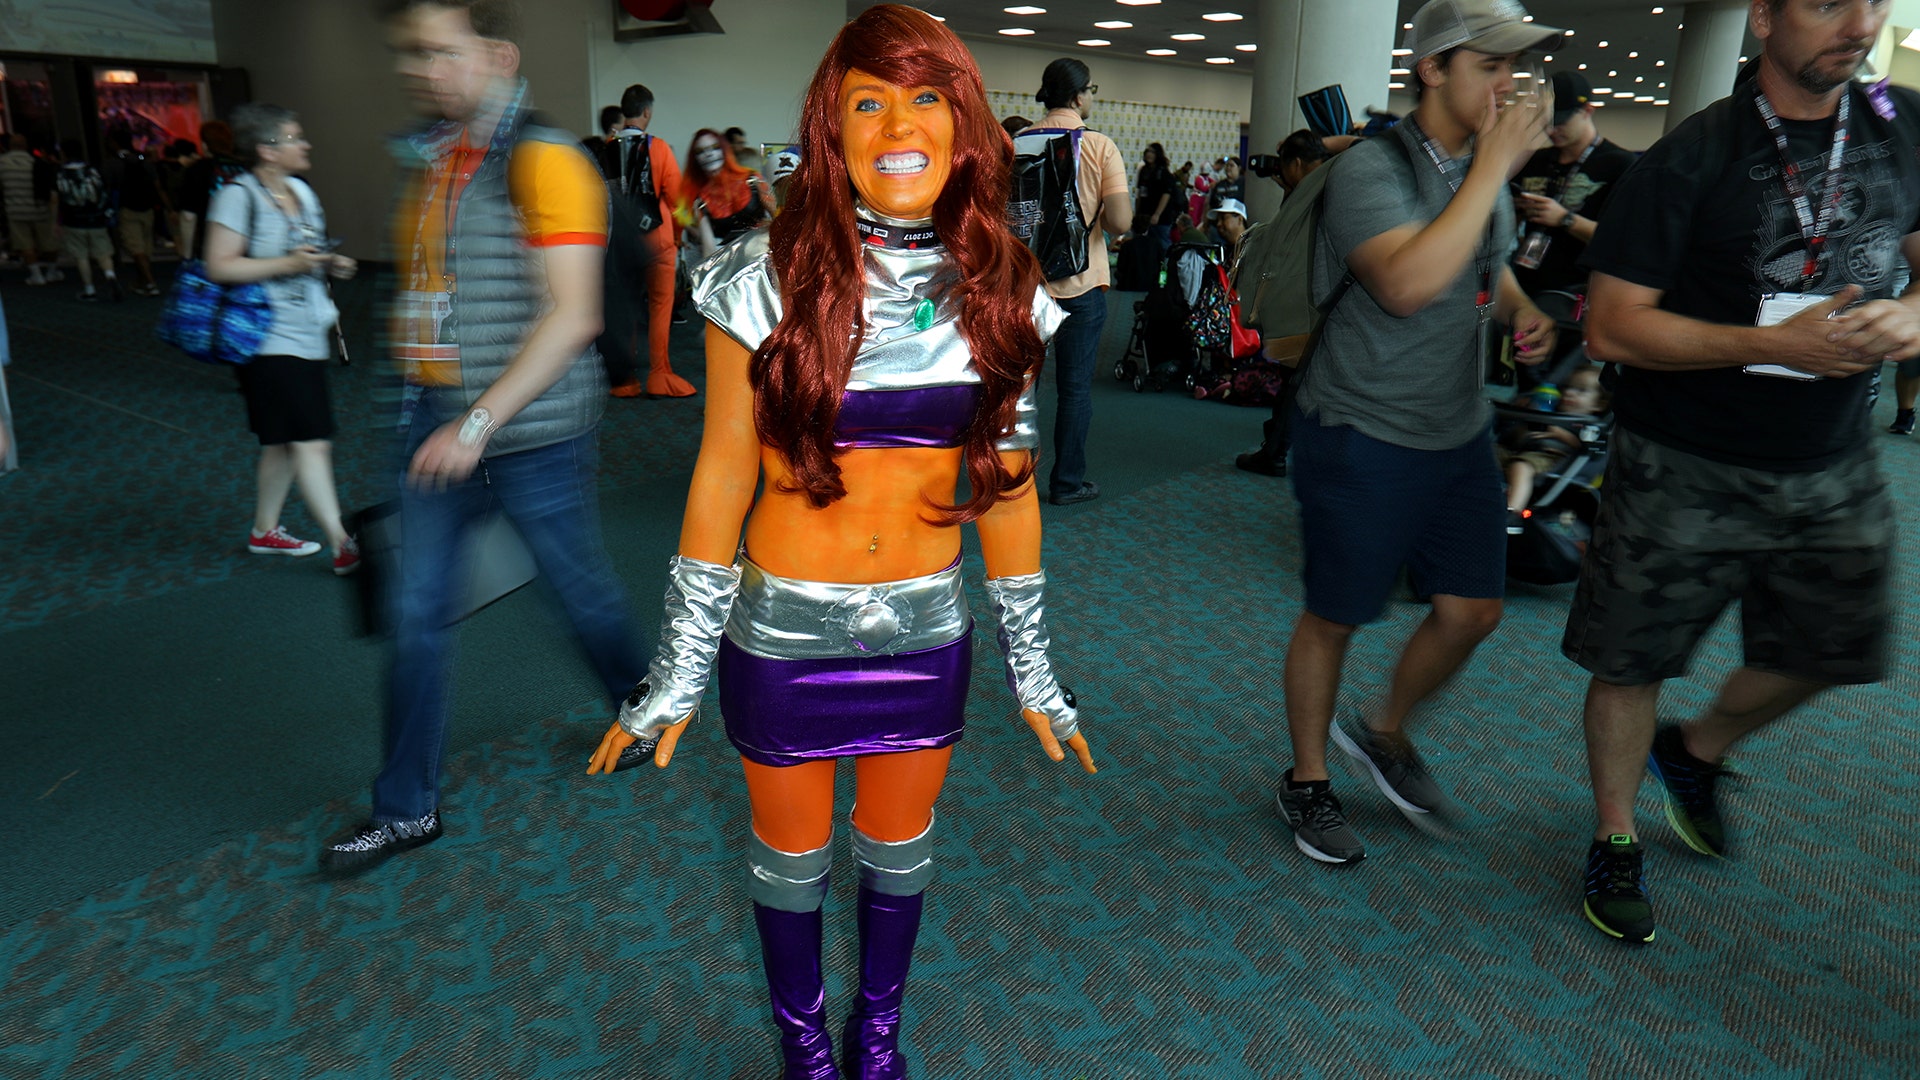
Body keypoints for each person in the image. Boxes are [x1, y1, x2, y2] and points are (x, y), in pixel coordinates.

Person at [586, 7, 1096, 1076]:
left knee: (899, 855)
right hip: (783, 634)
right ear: (833, 128)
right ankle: (804, 1042)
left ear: (963, 126)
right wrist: (675, 677)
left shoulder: (1002, 285)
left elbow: (1006, 488)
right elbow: (723, 473)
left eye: (924, 98)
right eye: (868, 100)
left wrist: (1037, 675)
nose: (897, 124)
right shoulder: (760, 277)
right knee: (790, 860)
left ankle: (878, 1031)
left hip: (925, 630)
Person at [1567, 0, 1920, 945]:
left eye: (1872, 1)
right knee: (1631, 657)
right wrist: (1769, 344)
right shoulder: (1691, 154)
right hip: (1684, 458)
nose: (1858, 22)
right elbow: (1611, 326)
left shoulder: (1902, 126)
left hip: (1833, 456)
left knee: (1834, 648)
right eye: (1824, 2)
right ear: (1762, 18)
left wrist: (1917, 310)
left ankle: (1697, 751)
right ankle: (1616, 834)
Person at [321, 0, 646, 872]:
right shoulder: (435, 165)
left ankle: (642, 704)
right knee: (417, 614)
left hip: (531, 435)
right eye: (410, 55)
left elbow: (572, 316)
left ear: (497, 54)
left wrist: (475, 423)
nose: (421, 70)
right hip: (438, 430)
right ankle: (406, 807)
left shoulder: (545, 161)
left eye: (439, 51)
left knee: (580, 592)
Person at [1274, 0, 1560, 866]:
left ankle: (1385, 728)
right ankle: (1309, 779)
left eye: (1515, 70)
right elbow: (1403, 282)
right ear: (1432, 69)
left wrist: (1520, 310)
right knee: (1338, 613)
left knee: (1473, 609)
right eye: (1489, 66)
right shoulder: (1372, 168)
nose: (1507, 86)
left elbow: (1484, 259)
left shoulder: (1482, 166)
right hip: (1362, 426)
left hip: (1456, 429)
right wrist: (1494, 168)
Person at [203, 103, 360, 571]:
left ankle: (264, 531)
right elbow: (219, 264)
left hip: (307, 330)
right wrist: (288, 265)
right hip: (265, 337)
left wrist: (332, 263)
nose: (305, 144)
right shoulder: (237, 195)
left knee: (281, 442)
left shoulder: (301, 192)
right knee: (311, 439)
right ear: (267, 150)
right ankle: (342, 543)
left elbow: (309, 250)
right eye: (295, 138)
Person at [1021, 57, 1132, 507]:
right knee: (1074, 390)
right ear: (1079, 94)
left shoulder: (1015, 143)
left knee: (1016, 388)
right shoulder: (1100, 146)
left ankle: (1007, 480)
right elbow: (1121, 221)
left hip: (1024, 287)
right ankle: (1067, 483)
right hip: (1082, 285)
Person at [599, 83, 696, 398]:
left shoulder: (606, 148)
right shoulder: (660, 148)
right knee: (660, 307)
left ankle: (625, 380)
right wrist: (679, 237)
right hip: (658, 241)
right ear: (646, 112)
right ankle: (659, 374)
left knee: (623, 307)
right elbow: (678, 201)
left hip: (618, 243)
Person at [1511, 71, 1637, 301]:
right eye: (1546, 123)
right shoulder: (1534, 161)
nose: (1551, 131)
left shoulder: (1619, 165)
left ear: (1588, 111)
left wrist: (1564, 219)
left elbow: (1625, 242)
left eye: (1560, 122)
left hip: (1581, 294)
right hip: (1527, 288)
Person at [1497, 363, 1604, 518]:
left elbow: (1588, 448)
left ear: (1599, 404)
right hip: (1524, 450)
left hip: (1553, 459)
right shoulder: (1553, 411)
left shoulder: (1589, 424)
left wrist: (1558, 433)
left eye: (1581, 390)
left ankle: (1512, 511)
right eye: (1567, 388)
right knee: (1489, 452)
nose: (1569, 393)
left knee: (1521, 467)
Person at [684, 127, 770, 260]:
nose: (709, 154)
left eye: (715, 147)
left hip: (762, 260)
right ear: (695, 159)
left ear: (724, 150)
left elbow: (777, 216)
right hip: (728, 267)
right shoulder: (700, 199)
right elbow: (709, 249)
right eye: (700, 151)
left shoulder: (752, 179)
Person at [50, 140, 119, 302]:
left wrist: (56, 221)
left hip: (73, 220)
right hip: (96, 218)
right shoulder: (93, 170)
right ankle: (110, 275)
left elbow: (55, 199)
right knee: (103, 252)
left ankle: (89, 289)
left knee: (81, 255)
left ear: (64, 153)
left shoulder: (60, 173)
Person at [105, 131, 170, 295]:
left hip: (127, 208)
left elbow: (107, 187)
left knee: (135, 247)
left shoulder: (113, 163)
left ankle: (149, 282)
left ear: (114, 143)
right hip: (147, 208)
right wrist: (169, 208)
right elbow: (158, 186)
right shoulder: (142, 160)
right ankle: (142, 281)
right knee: (145, 246)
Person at [176, 121, 248, 262]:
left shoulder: (197, 169)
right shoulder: (247, 169)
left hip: (211, 246)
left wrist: (187, 254)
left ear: (204, 144)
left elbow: (188, 217)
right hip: (245, 245)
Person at [0, 136, 60, 286]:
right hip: (39, 209)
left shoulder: (2, 163)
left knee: (25, 244)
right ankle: (52, 271)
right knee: (49, 242)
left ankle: (36, 275)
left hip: (16, 210)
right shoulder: (36, 162)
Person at [1135, 142, 1178, 256]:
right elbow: (1140, 192)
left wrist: (1157, 214)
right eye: (1147, 151)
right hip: (1144, 215)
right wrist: (1137, 212)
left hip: (1161, 218)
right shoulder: (1144, 170)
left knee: (1162, 244)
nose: (1149, 154)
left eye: (1152, 152)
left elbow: (1166, 194)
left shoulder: (1164, 172)